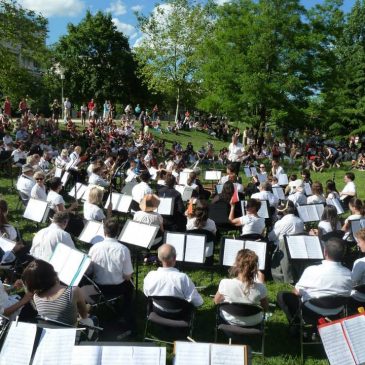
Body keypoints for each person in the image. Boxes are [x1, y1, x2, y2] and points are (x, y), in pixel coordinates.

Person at [277, 238, 352, 326]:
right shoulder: (349, 273)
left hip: (311, 312)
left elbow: (296, 292)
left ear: (325, 252)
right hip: (336, 311)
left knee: (282, 295)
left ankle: (296, 324)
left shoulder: (312, 270)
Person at [88, 218, 135, 330]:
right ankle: (124, 315)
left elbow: (89, 271)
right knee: (130, 288)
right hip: (118, 288)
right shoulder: (124, 249)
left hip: (98, 287)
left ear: (104, 232)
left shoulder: (94, 248)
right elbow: (127, 276)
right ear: (118, 232)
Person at [22, 259, 90, 326]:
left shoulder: (36, 297)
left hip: (49, 331)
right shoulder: (73, 291)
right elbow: (84, 315)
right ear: (52, 273)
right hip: (69, 332)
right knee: (89, 320)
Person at [214, 249, 268, 326]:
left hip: (229, 319)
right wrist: (261, 283)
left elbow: (216, 302)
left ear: (237, 264)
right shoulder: (261, 287)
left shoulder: (225, 283)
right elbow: (265, 307)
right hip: (253, 322)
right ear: (255, 268)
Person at [143, 244, 203, 311]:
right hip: (178, 314)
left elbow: (146, 294)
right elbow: (197, 302)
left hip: (157, 313)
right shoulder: (182, 278)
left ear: (159, 258)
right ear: (174, 258)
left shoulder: (150, 276)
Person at [350, 228, 365, 309]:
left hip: (361, 299)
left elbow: (352, 282)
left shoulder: (360, 262)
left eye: (359, 242)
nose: (358, 244)